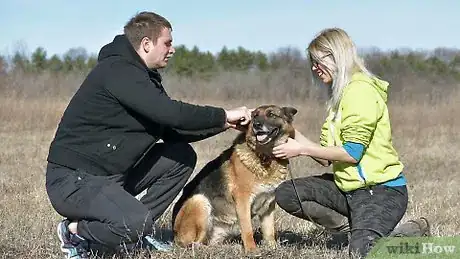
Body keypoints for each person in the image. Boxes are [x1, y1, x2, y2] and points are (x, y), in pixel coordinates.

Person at [45, 11, 252, 259]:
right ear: (146, 44)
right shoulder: (118, 71)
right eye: (167, 42)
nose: (172, 49)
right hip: (74, 180)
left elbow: (173, 130)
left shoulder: (143, 78)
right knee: (136, 223)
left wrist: (225, 124)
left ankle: (131, 229)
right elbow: (171, 113)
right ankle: (74, 231)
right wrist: (223, 114)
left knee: (180, 155)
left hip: (110, 177)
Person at [272, 28, 430, 258]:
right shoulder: (337, 99)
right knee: (288, 192)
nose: (314, 68)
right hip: (347, 190)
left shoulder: (360, 92)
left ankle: (410, 232)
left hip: (381, 191)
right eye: (312, 63)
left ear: (338, 56)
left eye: (318, 61)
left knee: (361, 252)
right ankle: (352, 231)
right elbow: (326, 157)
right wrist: (291, 132)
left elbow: (352, 154)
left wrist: (302, 149)